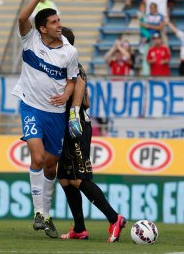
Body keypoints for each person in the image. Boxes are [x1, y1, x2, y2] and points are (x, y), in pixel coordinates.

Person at [12, 0, 79, 238]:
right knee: (38, 158)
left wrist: (65, 94)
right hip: (31, 107)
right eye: (53, 22)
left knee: (51, 167)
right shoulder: (30, 40)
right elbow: (21, 17)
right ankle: (38, 212)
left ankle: (46, 215)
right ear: (42, 28)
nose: (58, 25)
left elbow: (72, 81)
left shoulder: (70, 52)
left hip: (55, 115)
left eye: (58, 21)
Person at [57, 27, 126, 242]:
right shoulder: (59, 65)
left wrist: (74, 114)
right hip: (64, 127)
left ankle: (115, 218)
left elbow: (81, 89)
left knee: (78, 178)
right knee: (65, 179)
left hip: (75, 127)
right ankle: (79, 228)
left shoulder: (74, 65)